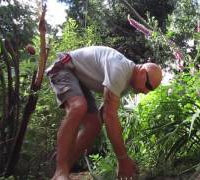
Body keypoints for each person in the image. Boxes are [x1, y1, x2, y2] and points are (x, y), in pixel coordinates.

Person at [46, 46, 163, 180]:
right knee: (78, 107)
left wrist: (123, 158)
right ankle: (60, 170)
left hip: (78, 78)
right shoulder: (120, 69)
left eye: (150, 90)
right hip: (64, 67)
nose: (146, 91)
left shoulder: (127, 85)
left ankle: (63, 168)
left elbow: (104, 114)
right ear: (142, 72)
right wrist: (123, 158)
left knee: (94, 125)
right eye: (148, 86)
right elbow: (110, 116)